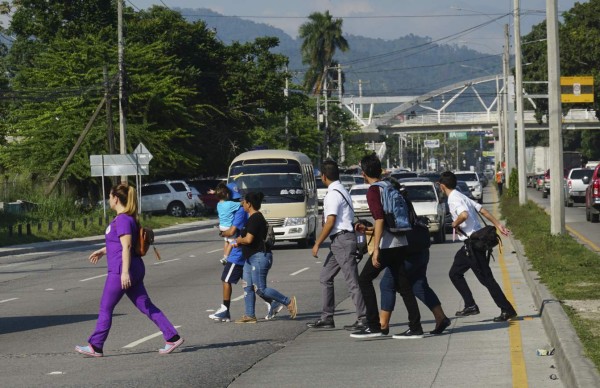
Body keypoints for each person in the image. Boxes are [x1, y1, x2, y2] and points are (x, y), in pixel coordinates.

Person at [75, 184, 183, 357]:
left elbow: (126, 246)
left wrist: (124, 273)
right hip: (131, 267)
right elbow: (118, 244)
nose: (109, 200)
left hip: (121, 270)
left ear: (116, 198)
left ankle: (96, 345)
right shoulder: (126, 218)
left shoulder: (123, 219)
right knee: (146, 305)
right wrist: (103, 251)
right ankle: (172, 336)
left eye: (110, 196)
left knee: (105, 308)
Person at [352, 153, 423, 339]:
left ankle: (373, 324)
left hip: (386, 245)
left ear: (363, 173)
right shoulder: (389, 186)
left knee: (364, 280)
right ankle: (416, 327)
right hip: (401, 241)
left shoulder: (373, 190)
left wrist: (375, 250)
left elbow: (380, 219)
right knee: (404, 285)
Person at [438, 171, 517, 322]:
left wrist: (455, 223)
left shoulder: (454, 199)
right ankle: (470, 305)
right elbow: (483, 210)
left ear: (442, 186)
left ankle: (507, 310)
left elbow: (464, 215)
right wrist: (498, 224)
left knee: (486, 279)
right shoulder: (460, 195)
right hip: (471, 243)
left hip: (473, 245)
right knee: (455, 273)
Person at [378, 186, 451, 336]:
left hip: (409, 252)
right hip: (420, 249)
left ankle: (382, 324)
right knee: (419, 285)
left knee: (387, 283)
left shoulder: (394, 203)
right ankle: (441, 317)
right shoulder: (404, 201)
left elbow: (396, 228)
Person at [209, 183, 283, 322]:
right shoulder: (239, 208)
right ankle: (266, 306)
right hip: (244, 251)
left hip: (237, 252)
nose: (241, 202)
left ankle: (225, 310)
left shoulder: (239, 211)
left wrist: (222, 233)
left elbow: (233, 232)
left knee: (226, 279)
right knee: (251, 285)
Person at [309, 160, 367, 330]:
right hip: (339, 241)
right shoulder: (341, 189)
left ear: (323, 176)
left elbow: (330, 221)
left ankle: (363, 317)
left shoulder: (333, 193)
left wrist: (317, 243)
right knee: (325, 277)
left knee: (352, 281)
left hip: (342, 240)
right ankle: (327, 317)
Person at [234, 192, 297, 323]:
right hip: (250, 258)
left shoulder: (255, 218)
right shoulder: (252, 218)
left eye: (244, 202)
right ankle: (249, 315)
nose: (243, 205)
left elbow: (249, 239)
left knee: (261, 289)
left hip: (259, 257)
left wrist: (239, 240)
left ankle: (288, 302)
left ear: (249, 204)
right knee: (247, 286)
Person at [216, 182, 242, 265]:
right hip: (228, 227)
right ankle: (226, 258)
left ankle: (224, 255)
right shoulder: (230, 204)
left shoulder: (218, 204)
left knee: (226, 241)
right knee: (232, 241)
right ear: (227, 195)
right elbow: (241, 204)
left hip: (222, 226)